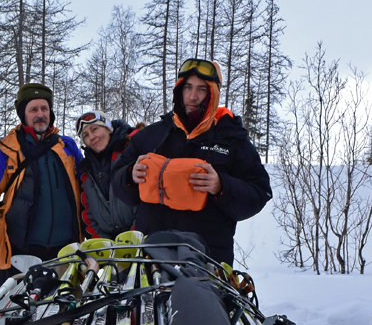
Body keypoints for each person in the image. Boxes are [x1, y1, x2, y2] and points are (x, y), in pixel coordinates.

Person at [112, 58, 271, 266]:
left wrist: (221, 186)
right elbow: (117, 181)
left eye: (201, 89)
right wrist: (130, 176)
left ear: (212, 93)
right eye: (187, 87)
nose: (193, 97)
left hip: (207, 260)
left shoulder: (233, 139)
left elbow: (260, 193)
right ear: (179, 90)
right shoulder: (152, 135)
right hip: (152, 257)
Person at [0, 83, 84, 283]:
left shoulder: (67, 147)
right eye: (33, 109)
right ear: (23, 114)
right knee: (21, 311)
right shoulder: (7, 149)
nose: (40, 114)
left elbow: (88, 182)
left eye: (44, 108)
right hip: (22, 252)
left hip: (66, 250)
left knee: (63, 310)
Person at [75, 110, 136, 239]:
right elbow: (88, 213)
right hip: (107, 248)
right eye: (85, 135)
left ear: (108, 128)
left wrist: (133, 238)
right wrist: (103, 245)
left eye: (95, 129)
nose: (91, 137)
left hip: (140, 239)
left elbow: (147, 200)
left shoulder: (131, 152)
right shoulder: (87, 172)